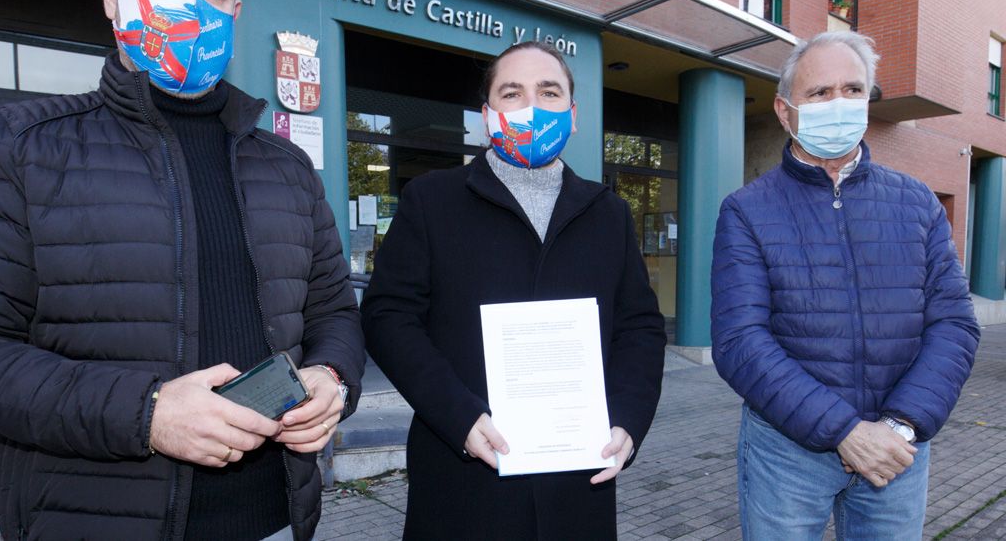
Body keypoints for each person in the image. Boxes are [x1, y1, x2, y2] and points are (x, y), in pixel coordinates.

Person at [0, 0, 364, 540]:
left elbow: (335, 313)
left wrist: (333, 379)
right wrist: (144, 414)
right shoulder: (16, 145)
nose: (190, 3)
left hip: (273, 520)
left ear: (234, 10)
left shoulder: (285, 165)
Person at [361, 41, 667, 539]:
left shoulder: (608, 212)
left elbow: (639, 327)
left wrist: (629, 420)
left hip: (577, 484)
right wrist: (456, 415)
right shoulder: (432, 201)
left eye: (548, 92)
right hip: (465, 481)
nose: (530, 107)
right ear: (487, 115)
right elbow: (387, 316)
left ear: (572, 114)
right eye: (512, 92)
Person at [711, 31, 980, 539]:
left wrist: (900, 427)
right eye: (819, 93)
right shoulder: (747, 210)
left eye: (853, 90)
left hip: (897, 451)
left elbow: (954, 325)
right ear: (786, 112)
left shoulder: (917, 203)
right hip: (788, 453)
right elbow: (740, 342)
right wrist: (844, 431)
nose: (839, 104)